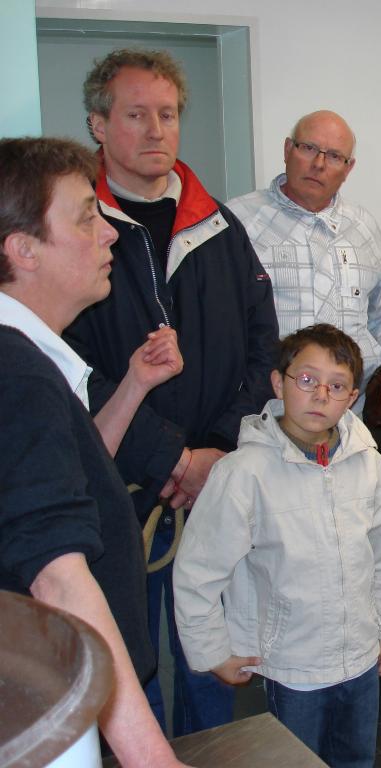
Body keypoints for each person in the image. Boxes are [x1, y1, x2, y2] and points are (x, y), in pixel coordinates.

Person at [63, 47, 280, 735]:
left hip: (215, 479)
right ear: (99, 124)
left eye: (168, 114)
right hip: (120, 486)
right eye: (136, 115)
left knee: (210, 649)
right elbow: (69, 370)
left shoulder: (219, 225)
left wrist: (215, 450)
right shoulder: (75, 232)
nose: (156, 130)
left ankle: (212, 748)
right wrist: (170, 459)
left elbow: (263, 347)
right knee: (130, 654)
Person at [0, 136, 188, 768]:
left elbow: (70, 477)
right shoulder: (16, 372)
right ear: (23, 249)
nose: (109, 233)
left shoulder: (28, 360)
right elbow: (56, 572)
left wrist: (132, 385)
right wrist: (152, 759)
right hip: (49, 707)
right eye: (86, 217)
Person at [173, 323, 381, 768]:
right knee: (296, 759)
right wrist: (213, 652)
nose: (320, 395)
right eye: (306, 379)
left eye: (335, 386)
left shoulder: (371, 467)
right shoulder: (243, 473)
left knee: (356, 758)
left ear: (351, 397)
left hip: (360, 658)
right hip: (292, 667)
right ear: (278, 383)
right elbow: (198, 571)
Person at [228, 110, 381, 412]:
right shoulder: (238, 222)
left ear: (348, 168)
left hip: (352, 414)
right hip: (267, 413)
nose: (318, 164)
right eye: (308, 148)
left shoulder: (363, 228)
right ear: (287, 149)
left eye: (334, 156)